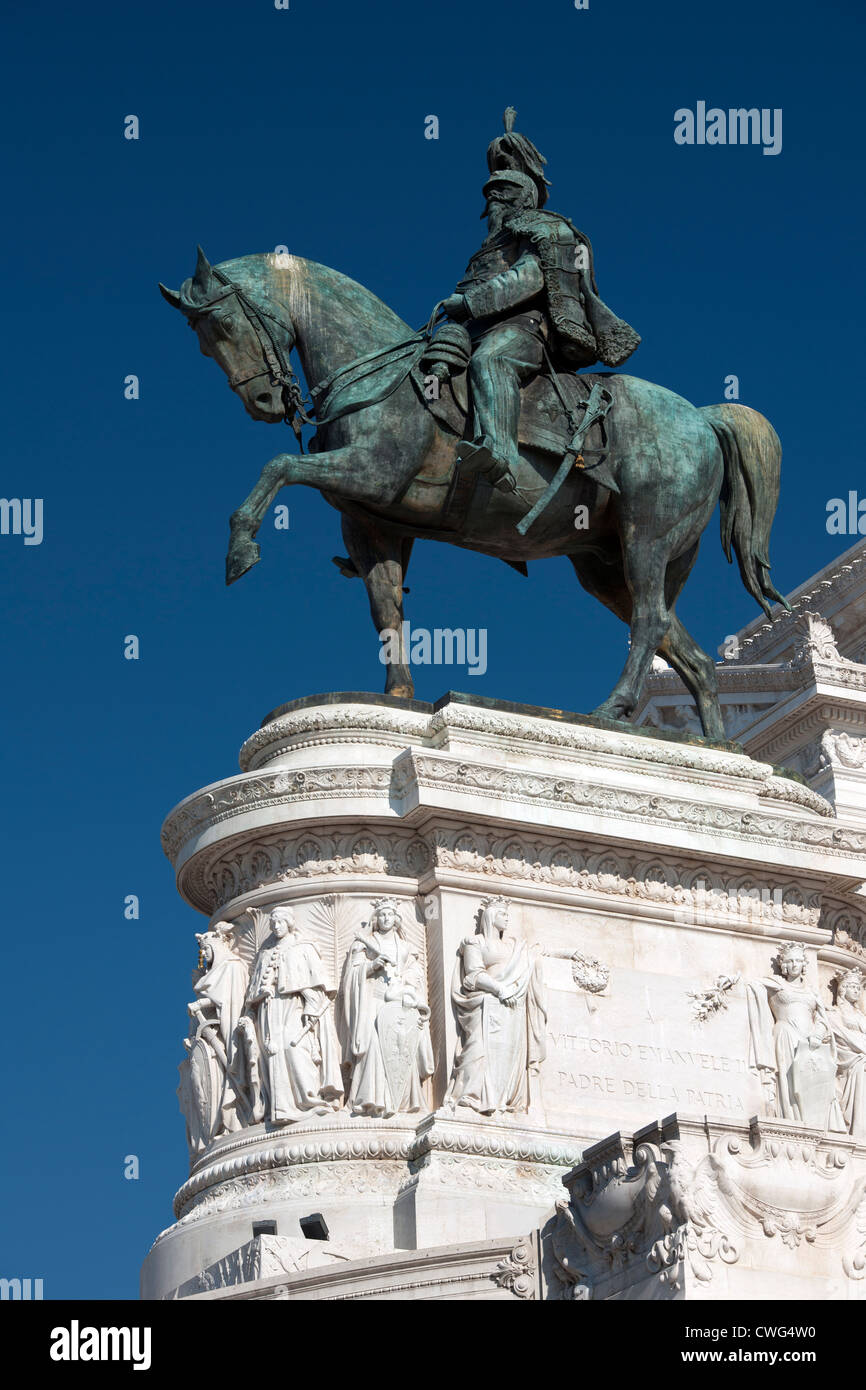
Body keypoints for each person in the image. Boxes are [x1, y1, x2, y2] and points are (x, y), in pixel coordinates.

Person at [437, 110, 639, 497]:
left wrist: (471, 302)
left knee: (491, 361)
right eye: (490, 195)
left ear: (522, 196)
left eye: (502, 193)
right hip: (473, 328)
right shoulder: (489, 246)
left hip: (524, 330)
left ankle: (498, 451)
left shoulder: (544, 228)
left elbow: (530, 278)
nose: (493, 201)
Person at [446, 898, 546, 1116]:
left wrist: (569, 954)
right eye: (502, 914)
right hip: (485, 1003)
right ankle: (472, 1095)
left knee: (510, 1052)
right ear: (491, 917)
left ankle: (504, 1098)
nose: (507, 918)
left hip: (511, 1007)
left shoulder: (512, 946)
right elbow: (473, 975)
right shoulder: (475, 943)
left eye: (508, 914)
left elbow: (534, 958)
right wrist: (500, 989)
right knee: (477, 1048)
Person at [245, 905, 342, 1124]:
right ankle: (281, 1108)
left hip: (294, 1007)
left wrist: (311, 1005)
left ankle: (308, 1100)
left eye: (280, 922)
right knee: (272, 1052)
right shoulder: (265, 953)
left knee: (295, 1048)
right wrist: (260, 993)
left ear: (289, 924)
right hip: (270, 1009)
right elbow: (253, 992)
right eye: (273, 923)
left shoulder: (302, 947)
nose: (276, 927)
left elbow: (315, 985)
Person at [339, 898, 434, 1116]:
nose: (385, 918)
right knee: (373, 1044)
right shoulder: (363, 942)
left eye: (389, 915)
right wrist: (371, 966)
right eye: (381, 915)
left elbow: (415, 971)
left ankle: (400, 1101)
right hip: (373, 1001)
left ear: (396, 919)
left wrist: (406, 981)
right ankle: (371, 1100)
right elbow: (351, 975)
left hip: (399, 1001)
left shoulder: (405, 947)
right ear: (375, 919)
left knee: (401, 1045)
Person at [746, 942, 845, 1129]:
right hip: (785, 1036)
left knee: (814, 1085)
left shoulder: (811, 991)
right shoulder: (776, 984)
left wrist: (817, 1034)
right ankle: (791, 1117)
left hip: (810, 1040)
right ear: (783, 964)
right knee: (791, 1082)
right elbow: (751, 985)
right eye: (790, 961)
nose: (794, 965)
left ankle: (815, 1123)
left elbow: (823, 1020)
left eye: (798, 961)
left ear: (804, 964)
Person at [829, 968, 866, 1137]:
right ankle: (857, 1126)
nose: (857, 991)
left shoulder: (861, 1015)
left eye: (858, 988)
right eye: (852, 987)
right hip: (850, 1057)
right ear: (843, 989)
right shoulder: (836, 1012)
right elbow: (839, 1034)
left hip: (860, 1052)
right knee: (860, 1065)